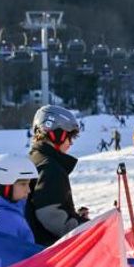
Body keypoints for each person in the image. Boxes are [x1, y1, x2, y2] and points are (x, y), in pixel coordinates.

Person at [26, 105, 90, 247]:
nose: (71, 143)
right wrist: (84, 228)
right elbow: (50, 215)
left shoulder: (33, 159)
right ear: (57, 134)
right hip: (50, 249)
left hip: (36, 244)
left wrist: (74, 216)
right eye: (69, 137)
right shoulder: (50, 168)